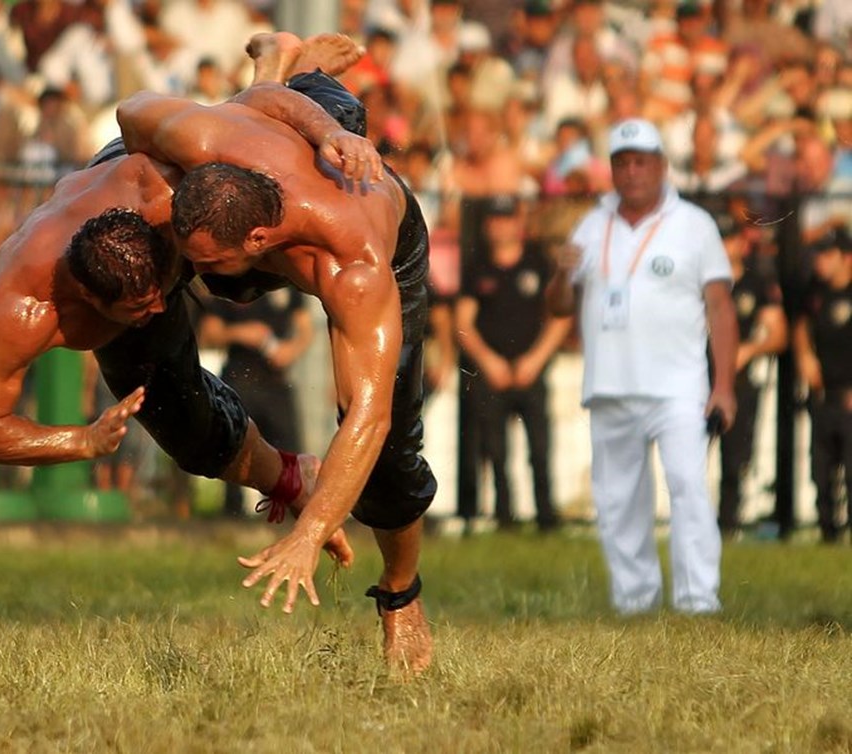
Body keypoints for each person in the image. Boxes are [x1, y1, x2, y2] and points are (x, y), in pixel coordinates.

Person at [0, 32, 377, 584]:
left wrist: (326, 125)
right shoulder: (23, 307)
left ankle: (291, 69)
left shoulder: (171, 190)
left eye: (158, 296)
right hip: (135, 245)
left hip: (167, 192)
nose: (154, 312)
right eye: (138, 309)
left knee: (292, 207)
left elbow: (243, 119)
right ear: (92, 302)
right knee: (185, 431)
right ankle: (292, 477)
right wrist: (79, 440)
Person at [116, 42, 437, 674]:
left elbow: (364, 421)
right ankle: (285, 72)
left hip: (373, 227)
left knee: (391, 452)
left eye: (204, 261)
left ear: (260, 241)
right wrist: (310, 124)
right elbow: (132, 110)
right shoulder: (208, 137)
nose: (194, 278)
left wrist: (308, 535)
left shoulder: (354, 264)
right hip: (276, 139)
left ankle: (402, 594)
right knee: (312, 119)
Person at [544, 118, 739, 615]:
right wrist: (563, 275)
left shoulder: (694, 224)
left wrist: (724, 386)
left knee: (689, 488)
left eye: (641, 162)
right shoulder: (592, 221)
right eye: (621, 163)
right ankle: (635, 603)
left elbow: (720, 306)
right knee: (617, 502)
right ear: (611, 169)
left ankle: (699, 602)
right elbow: (559, 306)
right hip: (610, 383)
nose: (631, 172)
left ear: (661, 166)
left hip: (679, 386)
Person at [455, 194, 571, 532]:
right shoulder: (478, 268)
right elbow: (463, 323)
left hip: (530, 370)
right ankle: (505, 520)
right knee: (496, 453)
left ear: (518, 224)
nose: (499, 226)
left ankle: (547, 520)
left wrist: (535, 361)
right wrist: (489, 362)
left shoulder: (537, 264)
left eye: (506, 219)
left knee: (539, 449)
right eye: (493, 220)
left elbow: (560, 317)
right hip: (493, 374)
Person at [198, 286, 313, 518]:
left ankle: (290, 515)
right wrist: (241, 333)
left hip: (276, 382)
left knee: (289, 451)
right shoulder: (231, 279)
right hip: (239, 381)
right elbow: (207, 334)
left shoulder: (286, 282)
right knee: (235, 449)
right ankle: (233, 515)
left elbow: (305, 330)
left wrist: (290, 350)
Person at [717, 217, 787, 539]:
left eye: (728, 239)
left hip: (739, 383)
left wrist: (748, 350)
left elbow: (778, 335)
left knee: (735, 461)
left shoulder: (755, 284)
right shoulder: (697, 284)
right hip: (698, 381)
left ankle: (729, 527)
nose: (724, 246)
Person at [792, 229, 852, 544]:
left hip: (848, 397)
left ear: (847, 259)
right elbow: (801, 324)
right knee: (821, 471)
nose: (820, 262)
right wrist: (804, 354)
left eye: (828, 255)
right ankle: (828, 535)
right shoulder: (814, 293)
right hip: (822, 396)